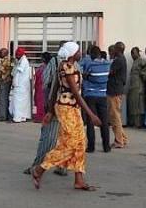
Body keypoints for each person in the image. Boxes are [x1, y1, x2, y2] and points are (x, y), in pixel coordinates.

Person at [32, 42, 102, 191]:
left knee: (81, 142)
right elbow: (75, 94)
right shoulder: (68, 68)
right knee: (70, 143)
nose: (81, 52)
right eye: (78, 50)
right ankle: (40, 169)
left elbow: (55, 88)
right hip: (66, 108)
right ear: (72, 53)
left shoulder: (67, 66)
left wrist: (50, 110)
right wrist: (91, 115)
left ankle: (79, 179)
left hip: (72, 108)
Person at [24, 47, 67, 177]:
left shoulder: (54, 63)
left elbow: (47, 81)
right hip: (69, 109)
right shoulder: (75, 65)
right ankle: (62, 166)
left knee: (47, 138)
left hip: (55, 106)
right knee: (63, 138)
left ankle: (36, 166)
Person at [82, 46, 111, 152]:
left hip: (90, 94)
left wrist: (86, 76)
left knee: (90, 121)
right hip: (103, 95)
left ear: (92, 55)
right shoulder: (107, 64)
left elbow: (85, 75)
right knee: (104, 121)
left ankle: (91, 147)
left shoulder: (91, 65)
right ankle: (106, 146)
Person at [107, 41, 128, 148]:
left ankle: (119, 141)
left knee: (114, 116)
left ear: (118, 49)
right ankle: (122, 138)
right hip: (116, 89)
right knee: (116, 115)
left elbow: (109, 72)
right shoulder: (121, 59)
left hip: (114, 90)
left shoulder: (118, 60)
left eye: (114, 48)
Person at [127, 47, 146, 129]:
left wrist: (143, 73)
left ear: (138, 53)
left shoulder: (141, 60)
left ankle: (139, 123)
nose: (132, 55)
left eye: (133, 53)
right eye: (131, 53)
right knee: (133, 104)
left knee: (138, 105)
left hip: (138, 85)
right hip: (133, 86)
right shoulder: (135, 62)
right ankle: (134, 122)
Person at [11, 48, 32, 123]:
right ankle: (21, 117)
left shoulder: (23, 60)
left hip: (21, 85)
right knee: (21, 102)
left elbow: (19, 71)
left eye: (17, 55)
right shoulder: (20, 60)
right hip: (21, 85)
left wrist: (14, 83)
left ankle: (18, 118)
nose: (16, 57)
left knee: (18, 102)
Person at [0, 48, 13, 121]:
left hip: (5, 82)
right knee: (2, 98)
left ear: (5, 53)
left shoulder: (7, 61)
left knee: (3, 99)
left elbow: (8, 72)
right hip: (2, 81)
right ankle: (4, 115)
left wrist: (1, 77)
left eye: (1, 52)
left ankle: (2, 116)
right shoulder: (3, 61)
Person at [34, 53, 51, 123]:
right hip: (44, 86)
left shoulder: (42, 68)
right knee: (44, 101)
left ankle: (40, 117)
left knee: (40, 102)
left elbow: (37, 76)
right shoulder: (49, 67)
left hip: (41, 86)